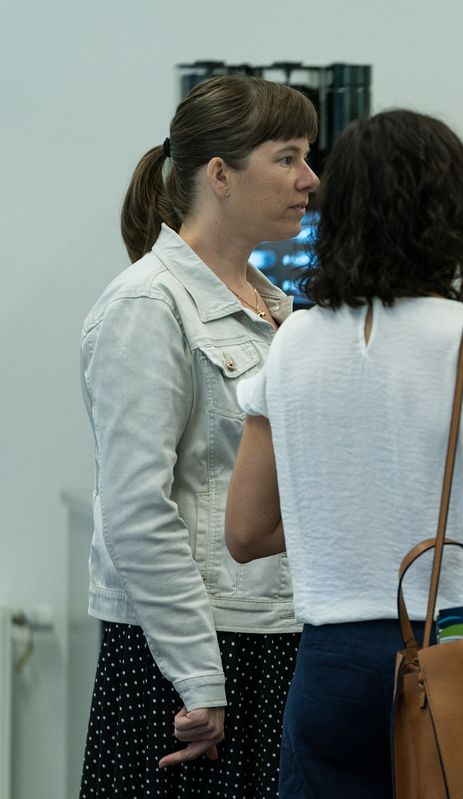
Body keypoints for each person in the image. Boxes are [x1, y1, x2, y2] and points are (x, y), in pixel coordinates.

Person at [223, 108, 463, 797]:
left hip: (331, 667)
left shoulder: (292, 343)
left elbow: (245, 532)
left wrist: (354, 523)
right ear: (451, 213)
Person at [79, 74, 318, 796]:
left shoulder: (281, 311)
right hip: (188, 655)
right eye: (287, 157)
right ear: (220, 174)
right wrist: (197, 673)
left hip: (271, 636)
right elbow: (136, 510)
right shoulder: (148, 306)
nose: (309, 178)